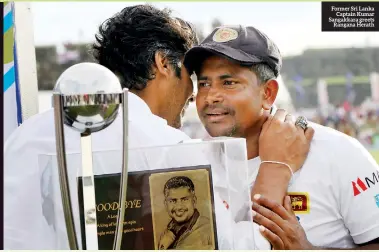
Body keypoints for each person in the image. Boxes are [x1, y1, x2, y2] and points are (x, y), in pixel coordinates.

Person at [4, 5, 312, 250]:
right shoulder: (169, 150)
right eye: (191, 76)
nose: (194, 93)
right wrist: (275, 168)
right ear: (164, 63)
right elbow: (243, 248)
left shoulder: (25, 137)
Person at [183, 25, 379, 249]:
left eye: (229, 83)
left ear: (268, 93)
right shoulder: (194, 166)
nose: (211, 96)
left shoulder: (338, 152)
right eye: (204, 84)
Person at [158, 176, 213, 250]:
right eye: (173, 201)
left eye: (184, 199)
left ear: (194, 201)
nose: (179, 207)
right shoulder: (166, 233)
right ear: (165, 204)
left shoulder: (209, 230)